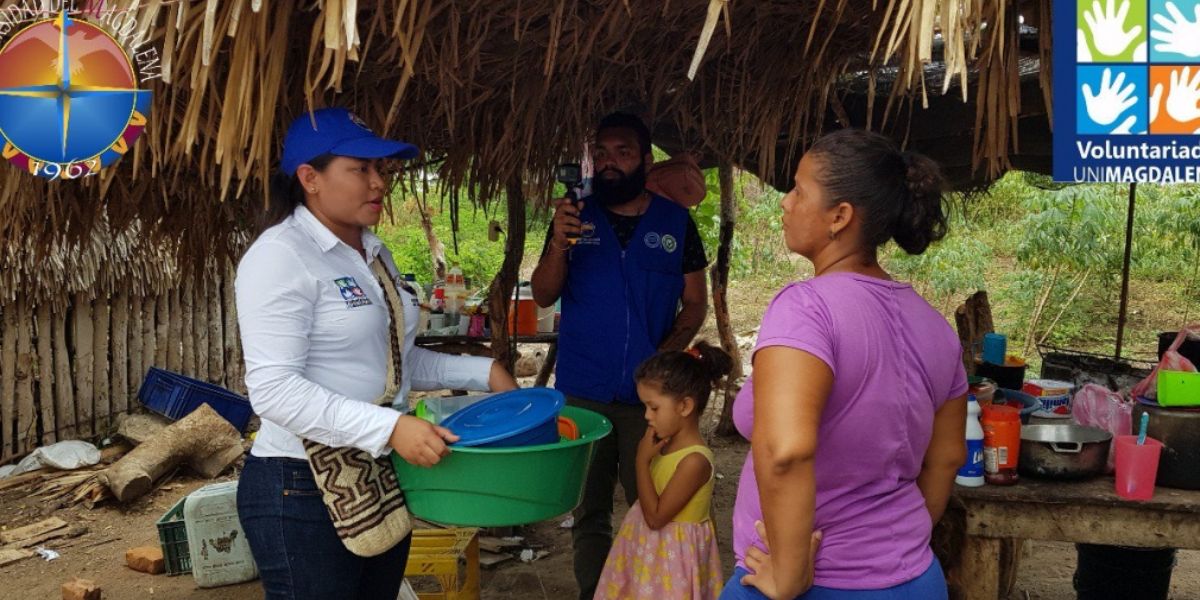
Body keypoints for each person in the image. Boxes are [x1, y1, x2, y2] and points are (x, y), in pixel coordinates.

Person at [235, 107, 518, 600]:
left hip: (375, 475)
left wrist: (484, 371)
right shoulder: (280, 255)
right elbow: (273, 391)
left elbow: (395, 364)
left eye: (380, 170)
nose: (379, 183)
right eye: (359, 169)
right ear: (310, 178)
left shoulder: (372, 252)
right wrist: (390, 427)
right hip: (300, 487)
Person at [721, 129, 968, 600]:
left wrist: (791, 574)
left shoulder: (806, 310)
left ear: (840, 217)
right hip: (915, 579)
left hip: (809, 583)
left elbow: (785, 450)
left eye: (798, 190)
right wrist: (896, 540)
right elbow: (947, 457)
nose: (785, 203)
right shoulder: (935, 326)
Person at [531, 111, 710, 599]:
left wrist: (662, 364)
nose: (610, 163)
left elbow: (695, 303)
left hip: (649, 401)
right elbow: (543, 294)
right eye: (602, 153)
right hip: (582, 393)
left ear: (644, 159)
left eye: (623, 152)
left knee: (652, 507)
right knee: (588, 512)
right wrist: (559, 244)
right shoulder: (574, 215)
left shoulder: (676, 222)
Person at [594, 341, 732, 600]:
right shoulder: (662, 447)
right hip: (649, 556)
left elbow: (656, 518)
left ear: (684, 407)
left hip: (671, 565)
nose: (647, 416)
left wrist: (640, 461)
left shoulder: (694, 461)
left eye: (654, 407)